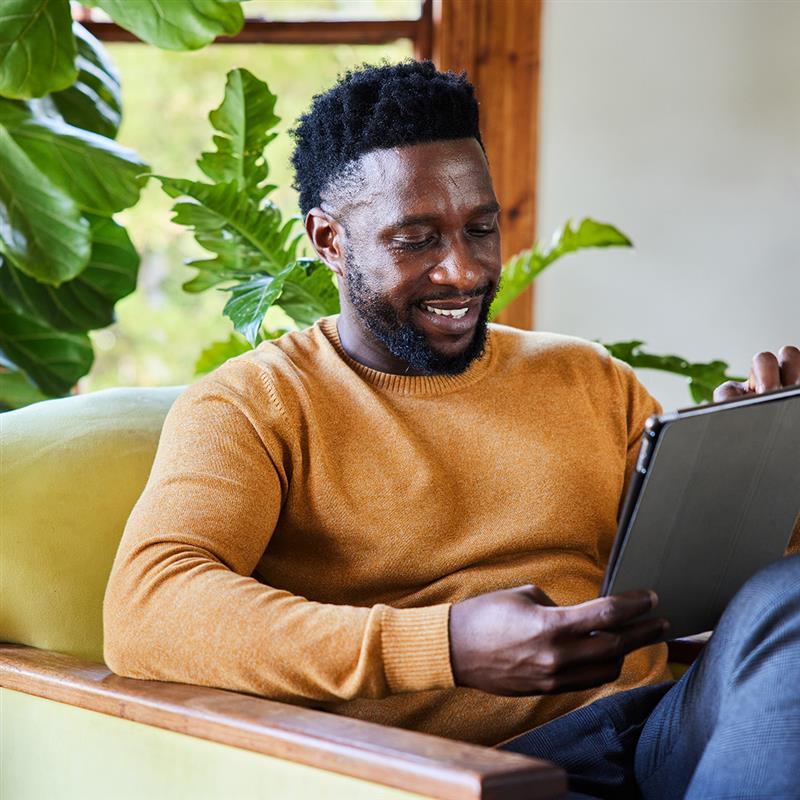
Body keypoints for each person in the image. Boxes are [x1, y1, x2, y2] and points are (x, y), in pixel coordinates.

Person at [103, 61, 800, 798]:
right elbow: (148, 608)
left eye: (481, 228)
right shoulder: (255, 404)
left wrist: (764, 475)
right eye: (416, 238)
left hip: (662, 729)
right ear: (329, 240)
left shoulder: (584, 377)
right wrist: (446, 646)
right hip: (464, 774)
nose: (463, 271)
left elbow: (727, 594)